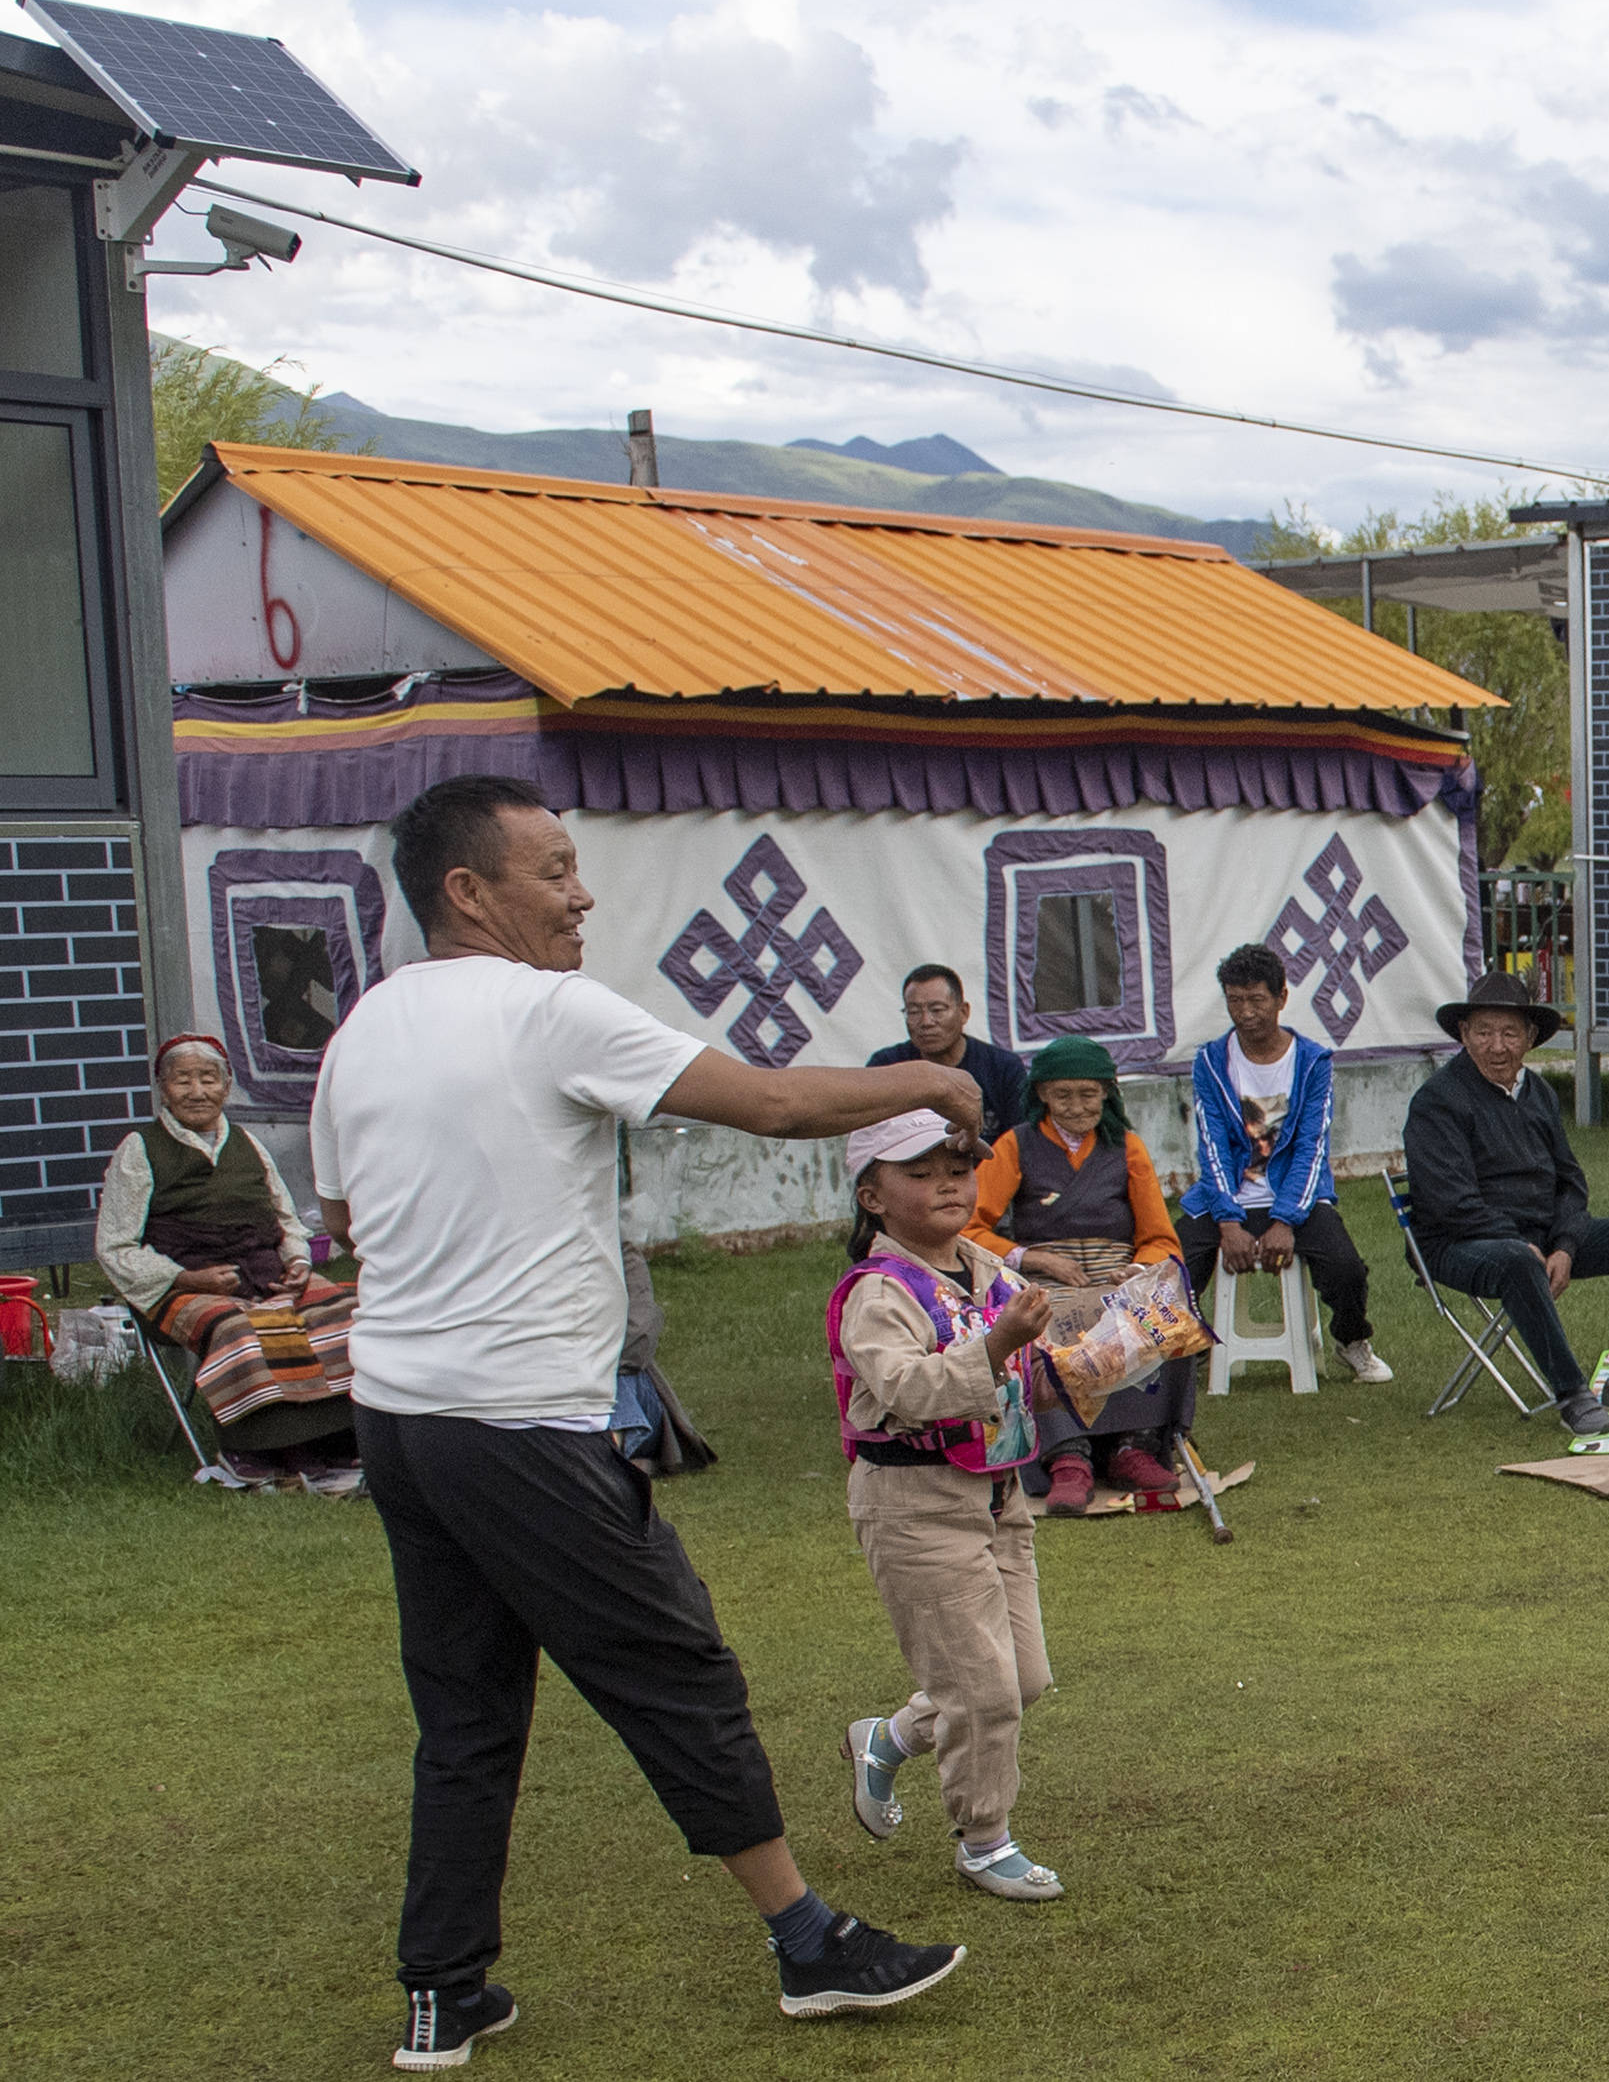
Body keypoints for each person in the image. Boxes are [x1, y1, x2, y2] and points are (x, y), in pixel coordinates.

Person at [316, 775, 978, 2070]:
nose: (582, 893)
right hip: (518, 1428)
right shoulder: (547, 1010)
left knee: (465, 1710)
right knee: (678, 1670)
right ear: (469, 890)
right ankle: (809, 1944)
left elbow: (346, 1225)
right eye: (554, 869)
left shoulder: (364, 1030)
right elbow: (772, 1102)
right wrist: (926, 1081)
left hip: (401, 1421)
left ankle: (444, 1991)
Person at [830, 1109, 1064, 1903]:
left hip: (996, 1495)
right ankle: (984, 1836)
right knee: (983, 1689)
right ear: (872, 1196)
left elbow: (1035, 1366)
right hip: (914, 1504)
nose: (948, 1186)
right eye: (921, 1173)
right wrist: (996, 1346)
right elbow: (904, 1387)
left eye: (959, 1171)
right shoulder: (877, 1291)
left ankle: (889, 1739)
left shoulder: (984, 1268)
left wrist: (1116, 1345)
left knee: (1022, 1677)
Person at [1401, 971, 1609, 1439]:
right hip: (1459, 1243)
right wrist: (1516, 1241)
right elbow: (1449, 1202)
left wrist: (1567, 1246)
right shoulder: (1437, 1102)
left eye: (1510, 1033)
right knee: (1516, 1260)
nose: (1497, 1046)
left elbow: (1570, 1183)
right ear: (1464, 1035)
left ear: (1530, 1039)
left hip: (1538, 1236)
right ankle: (1572, 1394)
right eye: (1484, 1032)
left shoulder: (1538, 1093)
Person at [96, 1032, 360, 1493]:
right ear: (163, 1087)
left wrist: (297, 1262)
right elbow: (115, 1246)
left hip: (264, 1272)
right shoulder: (139, 1150)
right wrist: (185, 1277)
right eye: (183, 1081)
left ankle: (341, 1442)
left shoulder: (248, 1144)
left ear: (227, 1084)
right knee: (241, 1327)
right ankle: (256, 1451)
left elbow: (286, 1219)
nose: (196, 1091)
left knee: (345, 1311)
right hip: (182, 1285)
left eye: (208, 1079)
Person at [965, 1036, 1184, 1514]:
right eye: (1063, 1095)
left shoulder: (1126, 1147)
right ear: (1041, 1094)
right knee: (1040, 1333)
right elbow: (970, 1226)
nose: (1077, 1106)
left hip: (1115, 1276)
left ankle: (1134, 1446)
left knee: (1162, 1319)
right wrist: (1029, 1257)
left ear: (1107, 1093)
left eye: (1089, 1094)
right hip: (1044, 1276)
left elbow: (1160, 1237)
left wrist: (1138, 1270)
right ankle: (1068, 1458)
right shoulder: (1015, 1145)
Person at [1178, 942, 1385, 1385]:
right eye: (1235, 1000)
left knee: (1346, 1270)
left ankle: (1351, 1340)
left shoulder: (1312, 1062)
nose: (1246, 1012)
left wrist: (1286, 1219)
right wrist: (1228, 1222)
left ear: (1281, 998)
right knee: (1173, 1264)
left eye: (1256, 1000)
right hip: (1227, 1197)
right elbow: (1211, 1147)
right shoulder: (1211, 1062)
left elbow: (1312, 1148)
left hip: (1297, 1198)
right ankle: (1184, 1346)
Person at [869, 965, 1032, 1143]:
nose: (926, 1022)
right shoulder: (886, 1066)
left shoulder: (1003, 1068)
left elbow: (1019, 1145)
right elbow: (871, 1141)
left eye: (937, 1010)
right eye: (914, 1012)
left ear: (963, 1012)